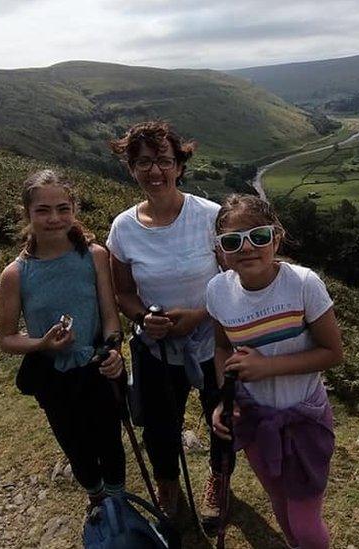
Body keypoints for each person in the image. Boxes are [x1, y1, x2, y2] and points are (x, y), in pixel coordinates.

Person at [106, 120, 231, 523]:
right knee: (159, 427)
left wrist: (199, 315)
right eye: (143, 162)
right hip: (156, 346)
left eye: (163, 161)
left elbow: (234, 282)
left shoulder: (210, 216)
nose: (154, 171)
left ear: (179, 165)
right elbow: (123, 292)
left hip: (215, 340)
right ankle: (168, 486)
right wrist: (144, 318)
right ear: (130, 168)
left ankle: (219, 480)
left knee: (224, 419)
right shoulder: (123, 228)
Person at [208, 194, 343, 549]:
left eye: (259, 236)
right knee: (280, 503)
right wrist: (226, 398)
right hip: (255, 419)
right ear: (220, 250)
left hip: (303, 418)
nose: (247, 248)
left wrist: (266, 367)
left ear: (277, 238)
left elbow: (332, 352)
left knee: (304, 516)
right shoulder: (218, 291)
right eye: (233, 241)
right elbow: (222, 348)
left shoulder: (302, 284)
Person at [0, 169, 126, 510]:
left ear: (74, 210)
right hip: (53, 379)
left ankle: (115, 502)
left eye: (63, 208)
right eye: (43, 210)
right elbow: (7, 339)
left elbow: (110, 314)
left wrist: (114, 349)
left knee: (111, 441)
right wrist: (42, 345)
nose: (54, 218)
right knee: (75, 445)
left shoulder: (95, 255)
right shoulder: (15, 274)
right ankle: (98, 498)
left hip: (99, 367)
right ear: (27, 214)